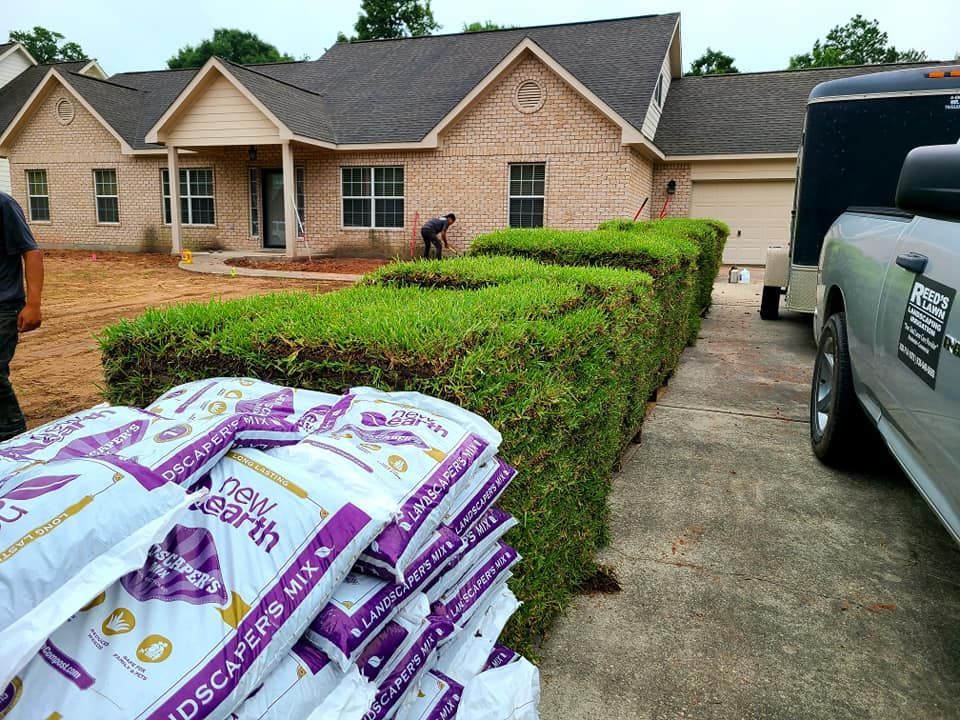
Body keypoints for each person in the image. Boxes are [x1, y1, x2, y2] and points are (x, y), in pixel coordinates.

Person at [0, 192, 43, 441]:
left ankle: (13, 436)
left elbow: (31, 253)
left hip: (4, 305)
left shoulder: (3, 204)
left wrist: (33, 304)